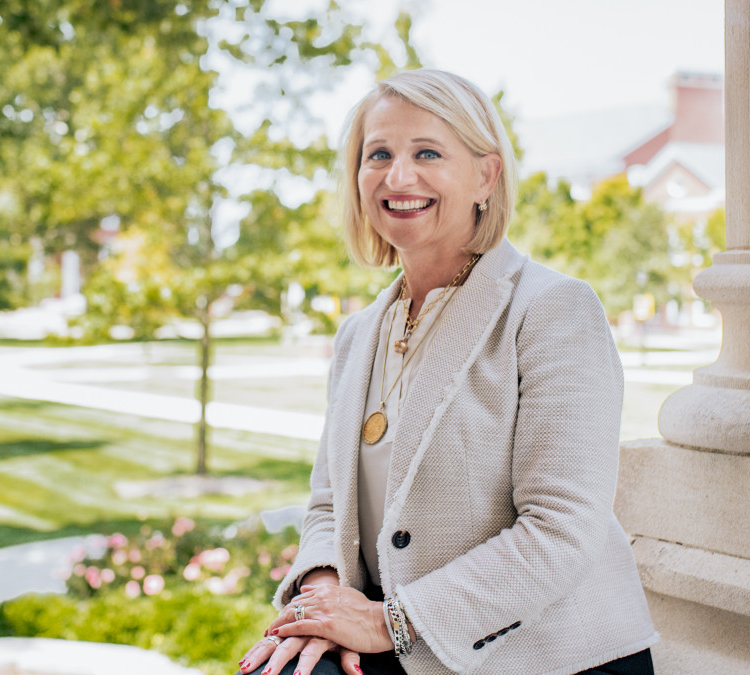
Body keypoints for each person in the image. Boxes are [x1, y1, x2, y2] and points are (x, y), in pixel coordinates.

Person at [236, 69, 658, 675]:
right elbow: (329, 505)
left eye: (427, 152)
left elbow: (560, 529)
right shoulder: (359, 334)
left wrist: (390, 622)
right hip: (398, 645)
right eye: (377, 154)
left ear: (486, 176)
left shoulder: (552, 309)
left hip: (540, 653)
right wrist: (323, 599)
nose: (397, 176)